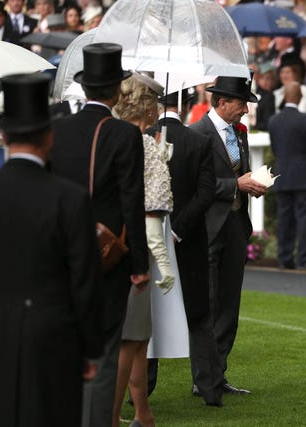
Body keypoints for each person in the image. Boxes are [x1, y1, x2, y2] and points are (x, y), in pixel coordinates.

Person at [0, 73, 103, 427]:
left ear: (5, 136)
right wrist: (90, 349)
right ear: (50, 136)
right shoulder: (70, 199)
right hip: (56, 337)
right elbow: (85, 281)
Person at [49, 43, 150, 427]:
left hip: (62, 256)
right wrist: (139, 266)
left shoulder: (59, 129)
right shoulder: (124, 134)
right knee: (104, 356)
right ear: (116, 90)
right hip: (106, 261)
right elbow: (132, 203)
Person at [190, 76, 267, 396]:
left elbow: (240, 174)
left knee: (229, 306)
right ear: (222, 102)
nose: (246, 110)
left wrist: (254, 185)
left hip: (235, 225)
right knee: (206, 305)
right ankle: (203, 379)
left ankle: (217, 374)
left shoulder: (239, 132)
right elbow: (195, 186)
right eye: (241, 103)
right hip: (207, 229)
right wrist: (237, 185)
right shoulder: (197, 135)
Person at [146, 88, 223, 407]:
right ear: (188, 105)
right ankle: (210, 388)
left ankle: (142, 388)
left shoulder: (142, 137)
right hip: (188, 239)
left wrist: (162, 230)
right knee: (199, 313)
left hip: (150, 237)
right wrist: (176, 231)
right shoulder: (199, 141)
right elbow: (205, 195)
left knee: (146, 314)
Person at [111, 74, 174, 427]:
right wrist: (162, 264)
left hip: (117, 243)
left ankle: (142, 412)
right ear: (147, 105)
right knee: (132, 337)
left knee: (138, 335)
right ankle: (111, 413)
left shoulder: (120, 139)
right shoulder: (142, 145)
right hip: (137, 248)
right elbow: (153, 211)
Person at [268, 81, 306, 271]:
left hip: (282, 175)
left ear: (284, 97)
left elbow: (275, 148)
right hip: (303, 175)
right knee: (304, 219)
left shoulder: (273, 121)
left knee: (284, 218)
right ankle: (304, 258)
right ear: (300, 97)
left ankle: (284, 258)